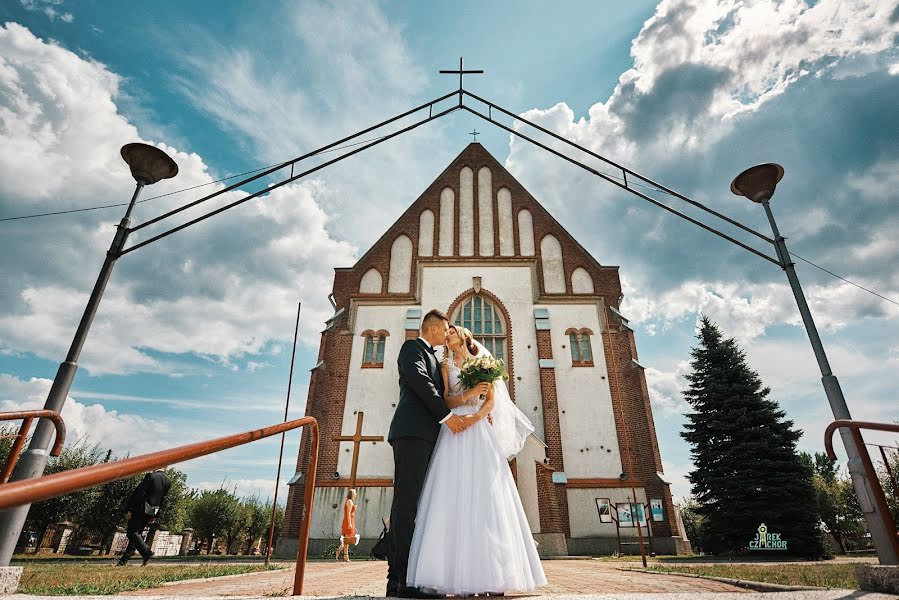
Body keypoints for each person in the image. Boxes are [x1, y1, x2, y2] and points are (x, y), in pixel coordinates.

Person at [406, 325, 547, 596]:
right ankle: (458, 578)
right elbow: (446, 400)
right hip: (455, 430)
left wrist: (476, 417)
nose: (449, 335)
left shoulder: (483, 361)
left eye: (453, 331)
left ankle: (495, 578)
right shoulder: (445, 364)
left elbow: (491, 401)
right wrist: (468, 397)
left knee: (488, 497)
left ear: (465, 336)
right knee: (453, 496)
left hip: (479, 429)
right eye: (446, 333)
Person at [386, 309, 487, 598]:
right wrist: (447, 417)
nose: (448, 335)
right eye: (445, 330)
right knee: (406, 505)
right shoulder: (412, 349)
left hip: (432, 438)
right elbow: (421, 383)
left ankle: (415, 575)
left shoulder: (435, 356)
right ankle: (399, 581)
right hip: (413, 434)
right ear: (433, 329)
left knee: (421, 505)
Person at [117, 467, 171, 566]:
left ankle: (146, 552)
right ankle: (124, 560)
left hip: (140, 508)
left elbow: (140, 494)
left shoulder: (151, 476)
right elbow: (162, 499)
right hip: (152, 510)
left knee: (131, 533)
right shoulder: (168, 481)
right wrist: (155, 515)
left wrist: (130, 509)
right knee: (137, 534)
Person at [337, 488, 359, 562]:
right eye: (355, 493)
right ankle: (339, 549)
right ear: (352, 494)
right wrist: (349, 524)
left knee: (347, 540)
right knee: (348, 539)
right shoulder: (349, 501)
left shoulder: (350, 501)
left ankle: (346, 556)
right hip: (348, 521)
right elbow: (348, 513)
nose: (356, 494)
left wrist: (353, 525)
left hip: (351, 521)